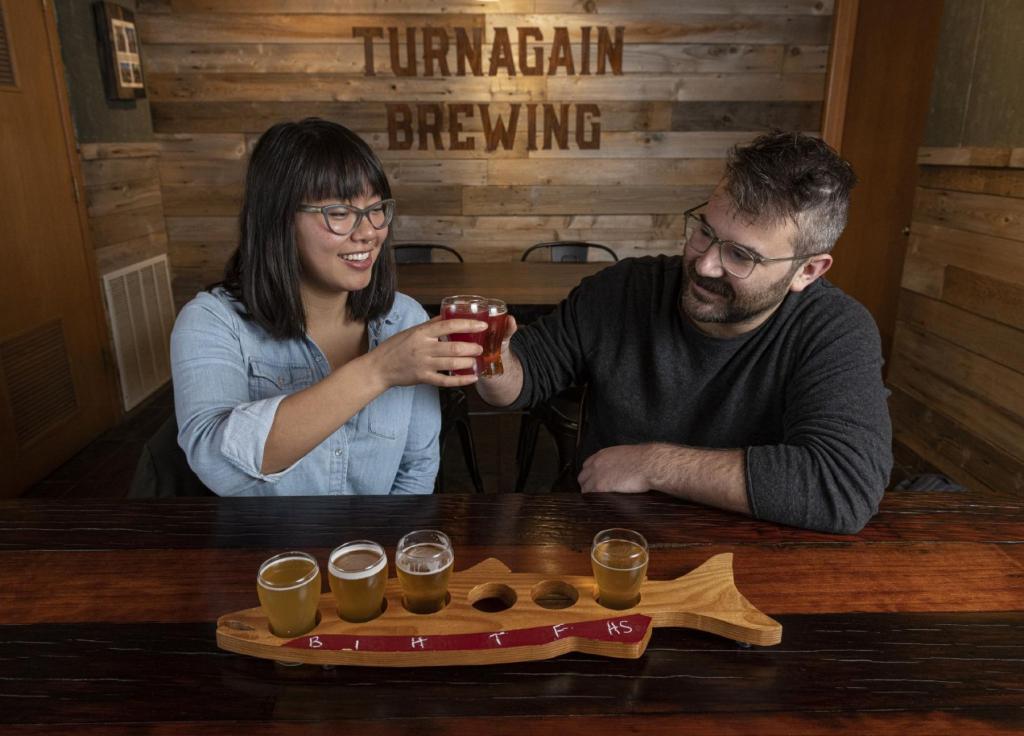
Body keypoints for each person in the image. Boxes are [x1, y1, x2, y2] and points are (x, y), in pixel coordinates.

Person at [476, 131, 892, 534]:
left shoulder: (836, 330)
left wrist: (654, 464)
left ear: (807, 270)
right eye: (705, 231)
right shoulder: (623, 289)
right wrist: (490, 358)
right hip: (603, 538)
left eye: (740, 255)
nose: (705, 264)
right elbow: (525, 377)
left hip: (744, 553)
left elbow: (843, 487)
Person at [170, 118, 485, 496]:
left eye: (375, 209)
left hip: (375, 550)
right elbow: (216, 467)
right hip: (267, 552)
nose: (369, 232)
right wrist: (379, 370)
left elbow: (417, 468)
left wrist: (380, 548)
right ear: (279, 220)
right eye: (339, 213)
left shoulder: (405, 319)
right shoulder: (211, 322)